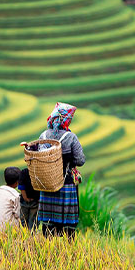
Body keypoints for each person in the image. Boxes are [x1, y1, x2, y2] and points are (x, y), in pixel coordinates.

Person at [37, 102, 85, 238]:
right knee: (67, 223)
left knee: (48, 221)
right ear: (67, 120)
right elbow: (81, 160)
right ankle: (67, 249)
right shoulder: (71, 137)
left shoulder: (44, 135)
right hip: (66, 182)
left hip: (48, 184)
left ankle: (48, 246)